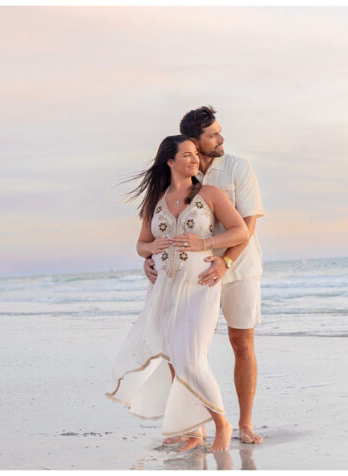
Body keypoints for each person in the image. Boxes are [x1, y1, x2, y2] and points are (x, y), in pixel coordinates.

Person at [108, 135, 248, 453]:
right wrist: (150, 251)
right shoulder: (155, 201)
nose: (194, 159)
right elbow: (141, 243)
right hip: (163, 291)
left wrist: (208, 244)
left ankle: (222, 425)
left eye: (196, 154)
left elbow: (240, 230)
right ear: (170, 161)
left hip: (201, 285)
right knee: (175, 359)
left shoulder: (210, 194)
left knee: (193, 359)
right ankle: (194, 431)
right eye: (186, 155)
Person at [145, 106, 266, 444]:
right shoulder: (186, 168)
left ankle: (244, 424)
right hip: (192, 274)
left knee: (241, 342)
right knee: (181, 348)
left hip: (238, 268)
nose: (221, 138)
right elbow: (159, 226)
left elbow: (248, 224)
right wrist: (150, 256)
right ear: (194, 143)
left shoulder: (238, 167)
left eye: (219, 131)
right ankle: (193, 426)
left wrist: (225, 262)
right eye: (213, 134)